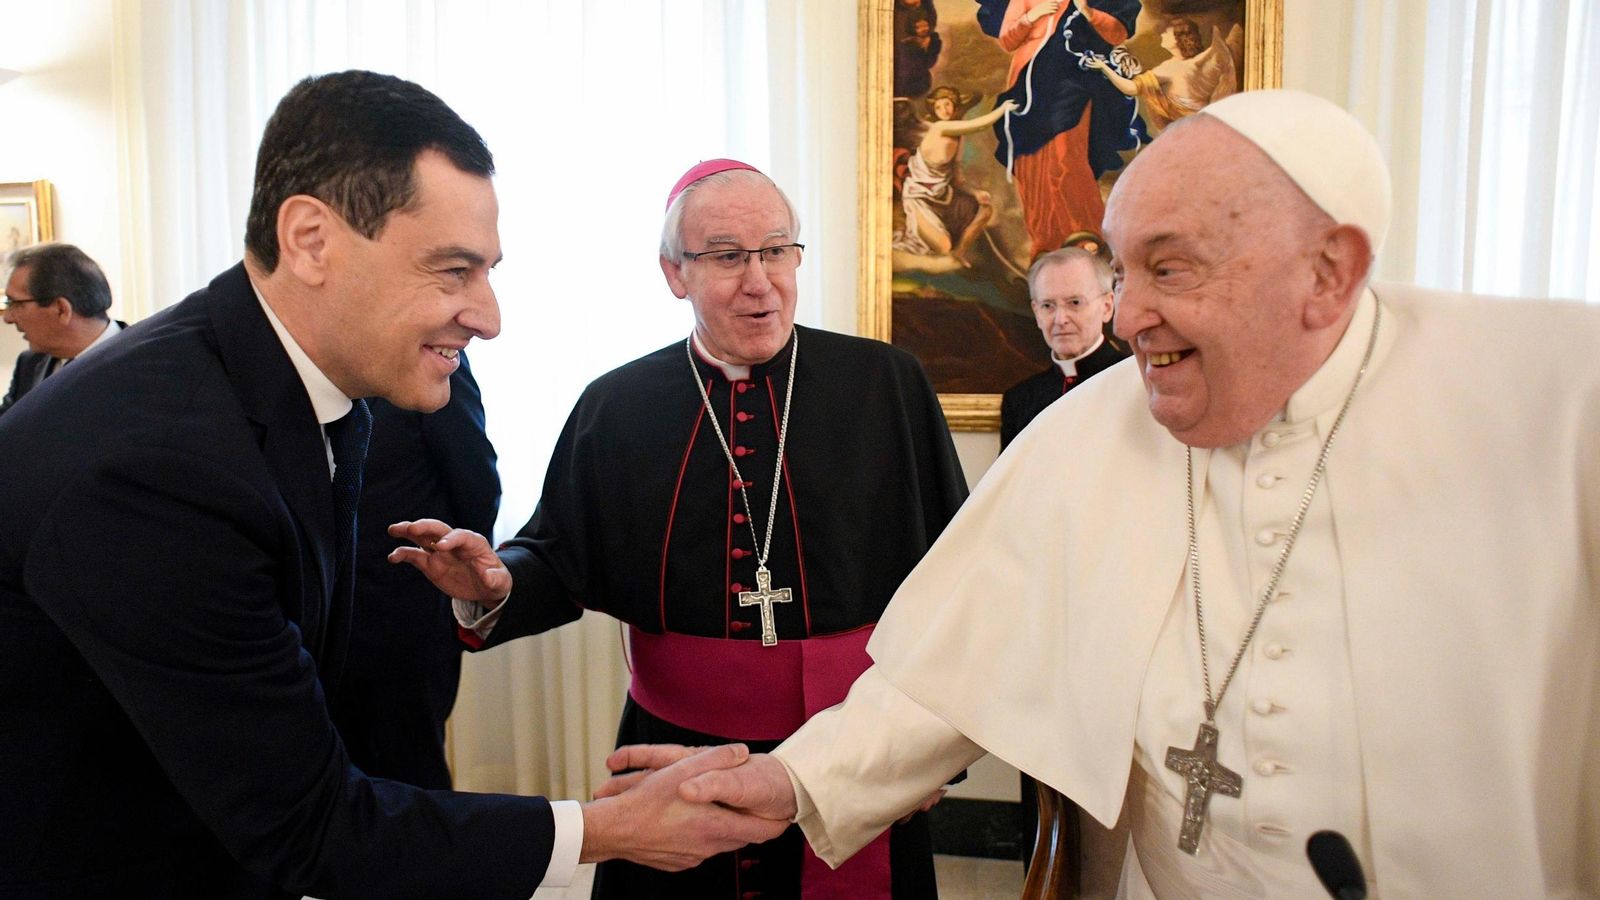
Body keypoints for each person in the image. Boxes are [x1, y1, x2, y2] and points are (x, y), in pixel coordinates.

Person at [658, 89, 1600, 897]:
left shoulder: (1561, 403)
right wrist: (794, 781)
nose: (1127, 314)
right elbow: (950, 670)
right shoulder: (1091, 430)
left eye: (1169, 267)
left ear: (1329, 271)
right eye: (1122, 269)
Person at [0, 71, 782, 899]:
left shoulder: (300, 380)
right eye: (452, 272)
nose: (489, 315)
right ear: (310, 239)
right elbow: (308, 827)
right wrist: (607, 831)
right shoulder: (160, 467)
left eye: (487, 272)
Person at [390, 158, 970, 898]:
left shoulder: (886, 384)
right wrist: (497, 584)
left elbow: (956, 585)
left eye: (776, 250)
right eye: (727, 256)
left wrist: (929, 754)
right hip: (678, 759)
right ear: (675, 273)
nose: (759, 279)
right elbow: (561, 558)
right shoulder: (619, 405)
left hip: (852, 750)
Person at [328, 352, 498, 790]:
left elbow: (475, 479)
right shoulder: (301, 364)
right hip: (317, 623)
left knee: (411, 775)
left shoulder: (431, 357)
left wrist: (462, 580)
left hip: (407, 618)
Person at [979, 0, 1143, 258]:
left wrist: (1088, 12)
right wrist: (1030, 17)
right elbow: (1007, 41)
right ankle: (1045, 240)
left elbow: (1117, 33)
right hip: (1030, 82)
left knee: (1066, 156)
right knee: (1031, 165)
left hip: (1075, 80)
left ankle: (1086, 233)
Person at [999, 246, 1125, 448]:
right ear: (1036, 313)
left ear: (1107, 307)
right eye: (1048, 306)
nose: (1060, 319)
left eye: (1075, 302)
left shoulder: (1137, 381)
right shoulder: (1020, 400)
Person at [894, 87, 1017, 265]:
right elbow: (980, 125)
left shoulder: (958, 137)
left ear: (954, 106)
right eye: (939, 107)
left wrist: (975, 192)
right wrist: (1003, 109)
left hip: (943, 196)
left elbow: (957, 178)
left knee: (985, 211)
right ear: (934, 111)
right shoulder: (939, 128)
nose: (944, 110)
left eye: (948, 104)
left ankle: (959, 253)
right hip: (920, 198)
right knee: (943, 246)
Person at [0, 242, 125, 416]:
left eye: (15, 304)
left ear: (61, 309)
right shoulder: (30, 363)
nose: (7, 318)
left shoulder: (146, 361)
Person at [1088, 17, 1241, 136]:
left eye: (1166, 32)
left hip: (1189, 131)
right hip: (1199, 127)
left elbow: (1131, 88)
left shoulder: (1169, 69)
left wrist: (1104, 67)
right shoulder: (1192, 64)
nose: (1162, 34)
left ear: (1178, 38)